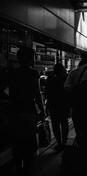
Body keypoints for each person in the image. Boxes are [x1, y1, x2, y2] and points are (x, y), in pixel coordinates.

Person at [7, 47, 46, 175]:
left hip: (14, 112)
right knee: (30, 141)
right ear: (29, 59)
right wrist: (42, 111)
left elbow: (5, 91)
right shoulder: (33, 73)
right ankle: (27, 168)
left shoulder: (11, 73)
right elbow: (37, 94)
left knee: (16, 140)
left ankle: (18, 166)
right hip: (28, 112)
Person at [64, 51, 87, 138]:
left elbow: (66, 87)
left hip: (77, 105)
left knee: (79, 128)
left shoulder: (74, 72)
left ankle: (80, 143)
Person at [45, 63, 70, 151]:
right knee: (64, 123)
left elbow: (47, 93)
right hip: (64, 105)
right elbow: (68, 92)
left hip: (53, 104)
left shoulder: (50, 79)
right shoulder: (66, 78)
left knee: (55, 124)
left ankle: (59, 142)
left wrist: (46, 106)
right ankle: (64, 142)